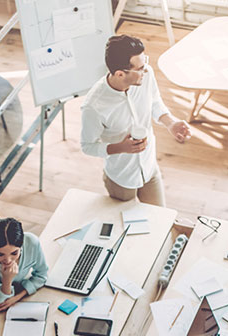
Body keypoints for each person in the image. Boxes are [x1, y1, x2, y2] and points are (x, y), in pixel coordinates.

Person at [80, 34, 191, 207]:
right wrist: (120, 148)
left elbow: (154, 102)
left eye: (144, 62)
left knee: (159, 218)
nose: (145, 70)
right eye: (139, 68)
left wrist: (171, 123)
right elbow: (87, 146)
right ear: (119, 74)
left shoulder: (146, 75)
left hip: (149, 168)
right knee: (127, 227)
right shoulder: (93, 106)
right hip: (121, 178)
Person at [0, 217, 49, 311]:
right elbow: (2, 301)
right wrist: (7, 279)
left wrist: (17, 297)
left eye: (14, 253)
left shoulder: (32, 242)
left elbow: (42, 275)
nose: (8, 260)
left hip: (18, 289)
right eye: (0, 254)